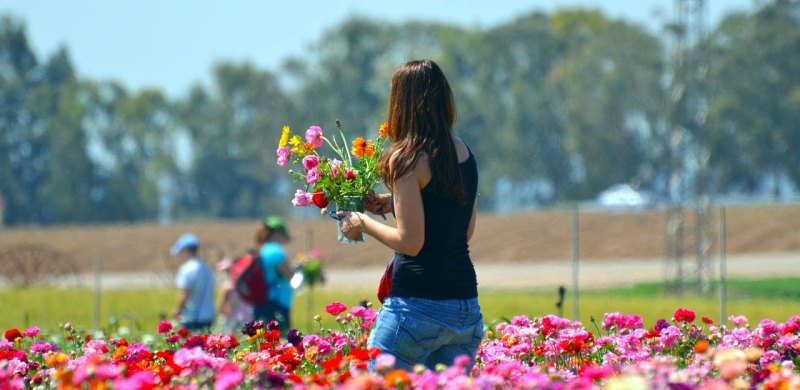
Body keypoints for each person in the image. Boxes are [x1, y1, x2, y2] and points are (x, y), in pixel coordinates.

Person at [338, 59, 483, 371]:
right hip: (465, 309)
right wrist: (393, 204)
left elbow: (411, 242)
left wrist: (362, 221)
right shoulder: (465, 154)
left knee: (370, 381)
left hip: (416, 308)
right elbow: (463, 228)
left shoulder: (406, 158)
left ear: (401, 104)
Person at [253, 216, 294, 334]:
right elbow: (288, 274)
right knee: (280, 341)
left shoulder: (261, 248)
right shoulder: (275, 250)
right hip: (277, 302)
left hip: (261, 300)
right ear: (276, 233)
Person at [170, 233, 216, 333]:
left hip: (190, 317)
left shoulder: (186, 269)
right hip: (207, 315)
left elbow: (185, 293)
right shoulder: (206, 268)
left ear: (186, 250)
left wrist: (178, 309)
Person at [216, 256, 253, 334]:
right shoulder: (245, 284)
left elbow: (222, 309)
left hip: (232, 321)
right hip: (246, 318)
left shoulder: (227, 287)